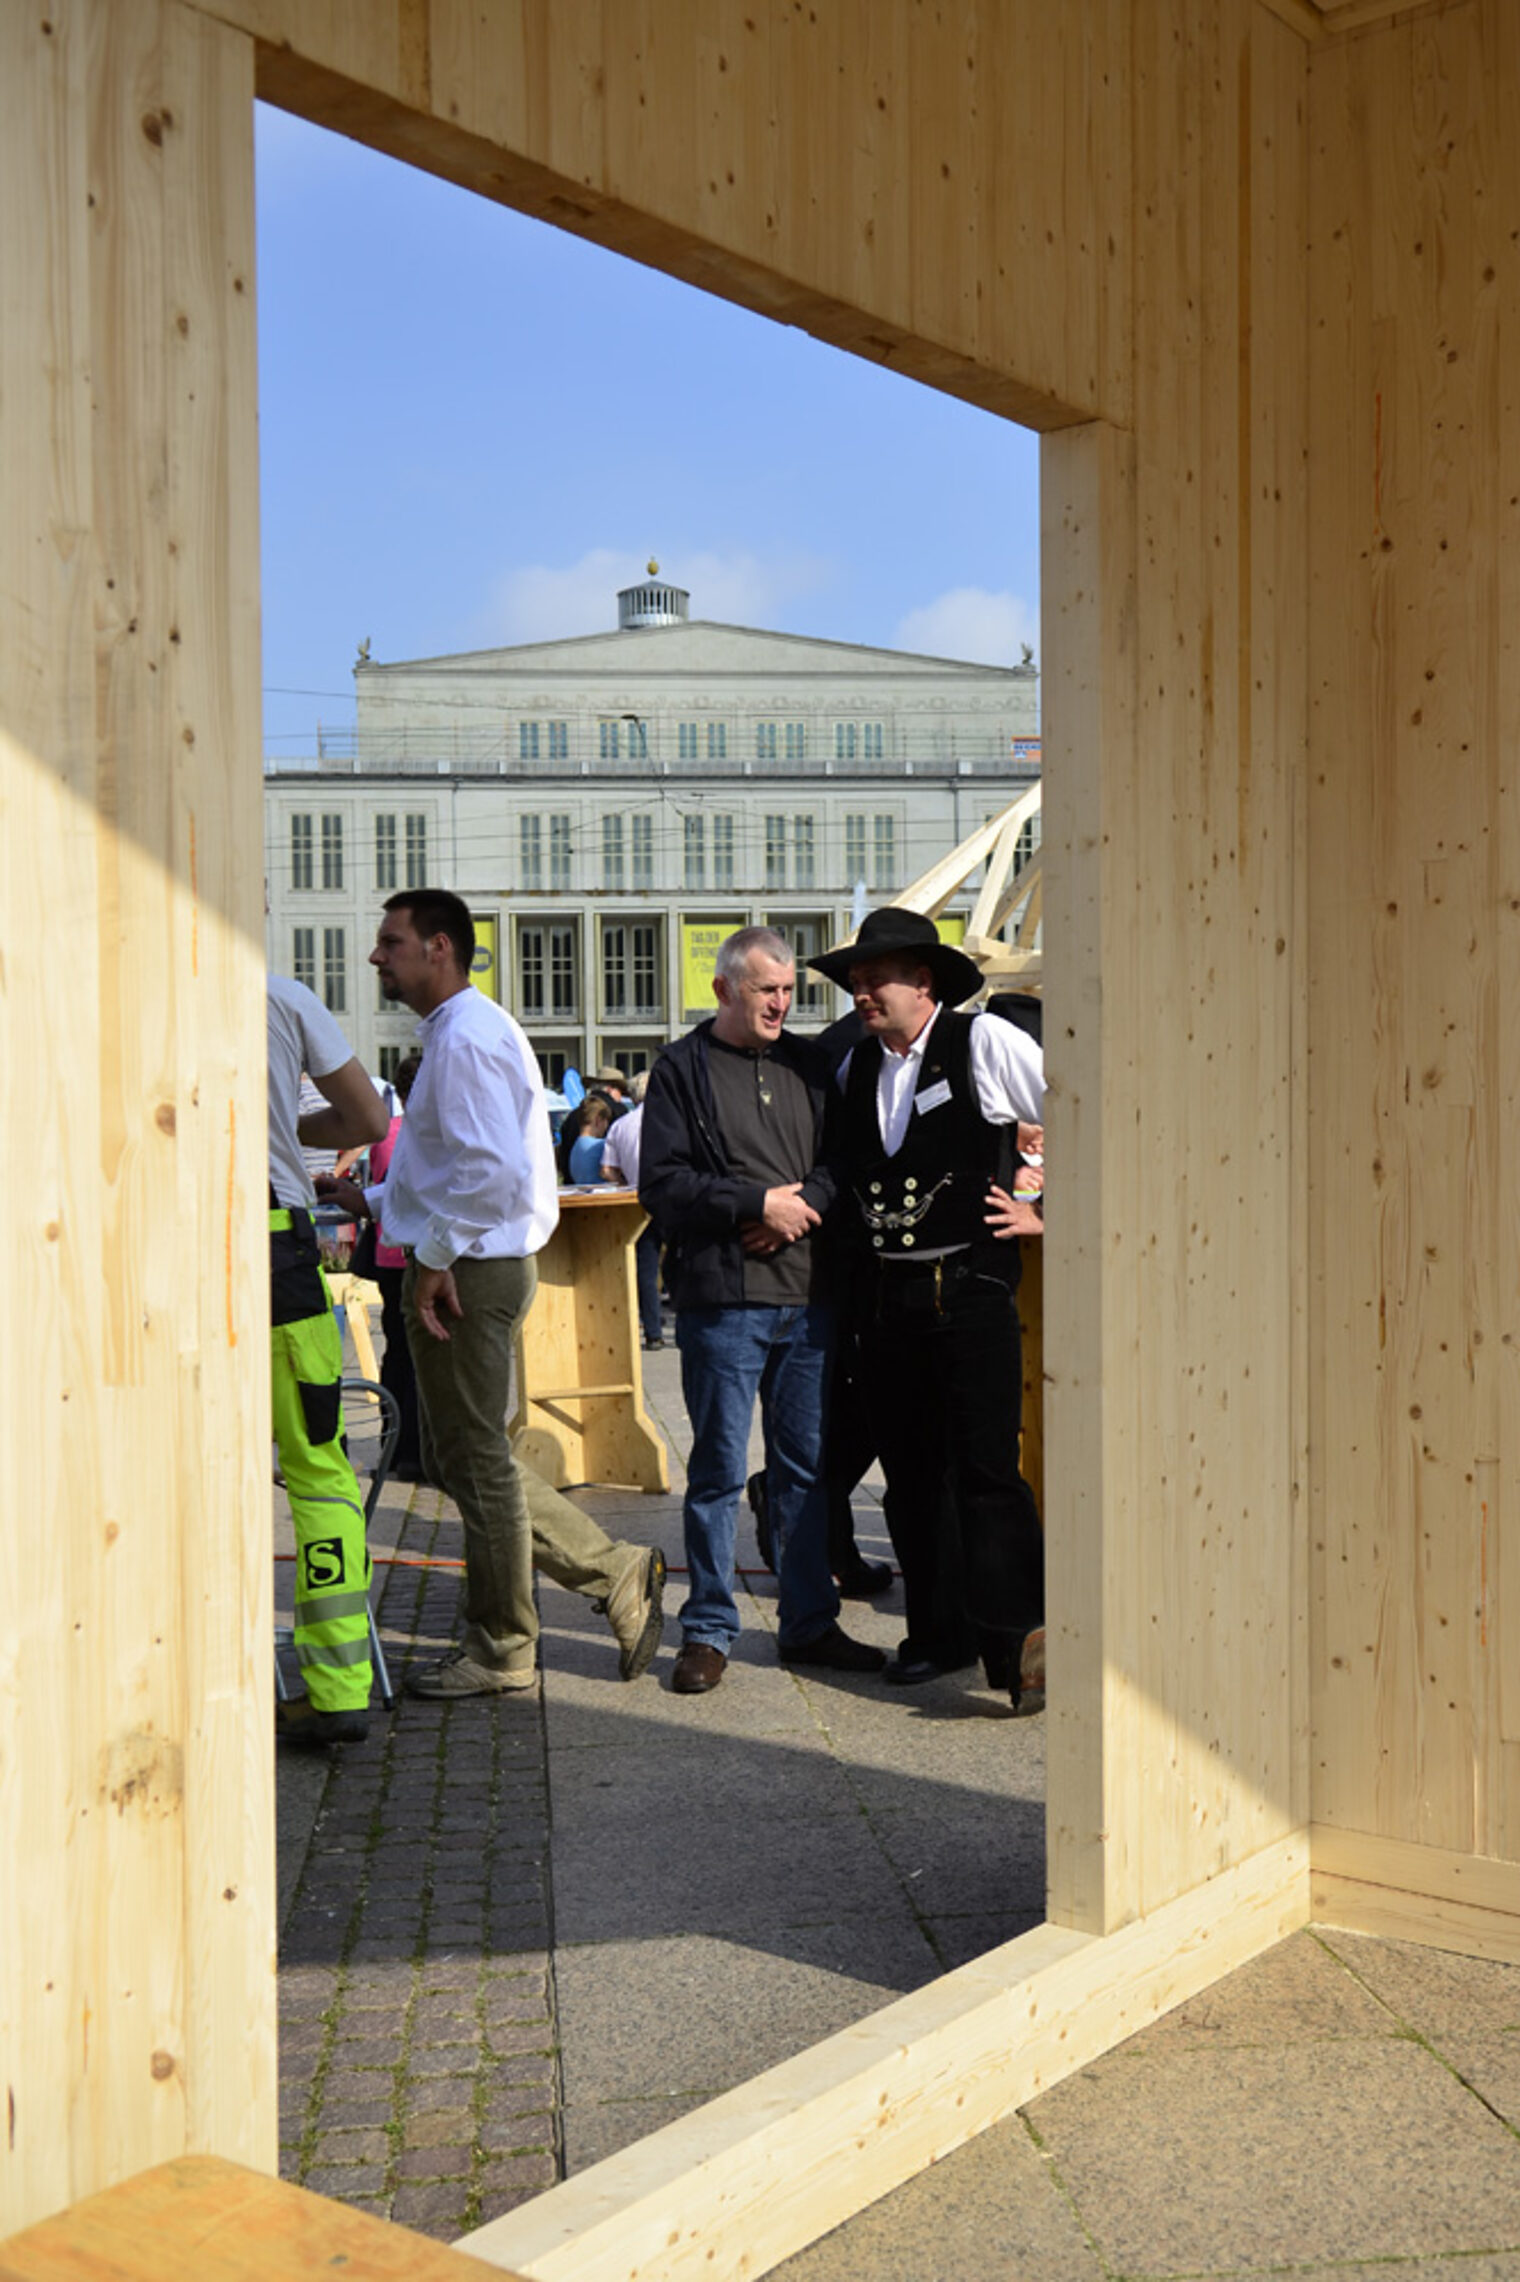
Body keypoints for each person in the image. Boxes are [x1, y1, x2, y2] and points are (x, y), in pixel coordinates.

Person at [334, 889, 666, 1697]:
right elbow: (455, 1164)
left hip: (469, 1270)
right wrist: (376, 1204)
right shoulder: (461, 1031)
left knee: (473, 1456)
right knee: (464, 1454)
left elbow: (492, 1174)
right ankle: (599, 1574)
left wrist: (437, 1257)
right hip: (466, 1262)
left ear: (439, 946)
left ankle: (509, 1642)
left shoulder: (468, 1037)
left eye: (391, 941)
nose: (378, 956)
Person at [807, 907, 1048, 1714]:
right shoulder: (854, 1070)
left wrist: (1047, 1211)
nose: (863, 992)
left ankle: (1018, 1647)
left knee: (985, 1474)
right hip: (887, 1298)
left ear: (925, 981)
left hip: (970, 1289)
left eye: (877, 977)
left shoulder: (984, 1041)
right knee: (909, 1480)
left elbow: (1089, 1109)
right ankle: (937, 1635)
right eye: (856, 981)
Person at [640, 925, 885, 1694]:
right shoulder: (680, 1068)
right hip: (722, 1302)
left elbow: (844, 1162)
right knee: (714, 1471)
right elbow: (663, 1184)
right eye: (764, 990)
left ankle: (809, 1622)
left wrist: (801, 1204)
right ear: (723, 990)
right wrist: (752, 1202)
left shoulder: (813, 1064)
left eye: (787, 990)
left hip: (808, 1300)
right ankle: (709, 1628)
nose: (781, 1003)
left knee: (806, 1475)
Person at [267, 974, 391, 1747]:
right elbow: (367, 1117)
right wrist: (284, 1122)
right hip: (273, 1242)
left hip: (155, 1244)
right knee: (318, 1467)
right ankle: (339, 1687)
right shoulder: (279, 997)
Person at [367, 1048, 425, 1481]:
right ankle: (415, 1449)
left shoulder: (385, 1134)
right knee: (418, 1358)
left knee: (396, 1352)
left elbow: (379, 1184)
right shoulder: (420, 1135)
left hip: (386, 1252)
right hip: (415, 1254)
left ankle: (394, 1442)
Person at [601, 1070, 665, 1349]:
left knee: (645, 1271)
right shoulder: (670, 1122)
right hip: (672, 1199)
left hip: (638, 1201)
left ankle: (653, 1331)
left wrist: (626, 1180)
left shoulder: (620, 1126)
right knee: (682, 1263)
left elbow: (606, 1169)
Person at [566, 1095, 613, 1184]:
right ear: (598, 1120)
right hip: (602, 1196)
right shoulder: (601, 1146)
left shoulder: (575, 1147)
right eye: (606, 1122)